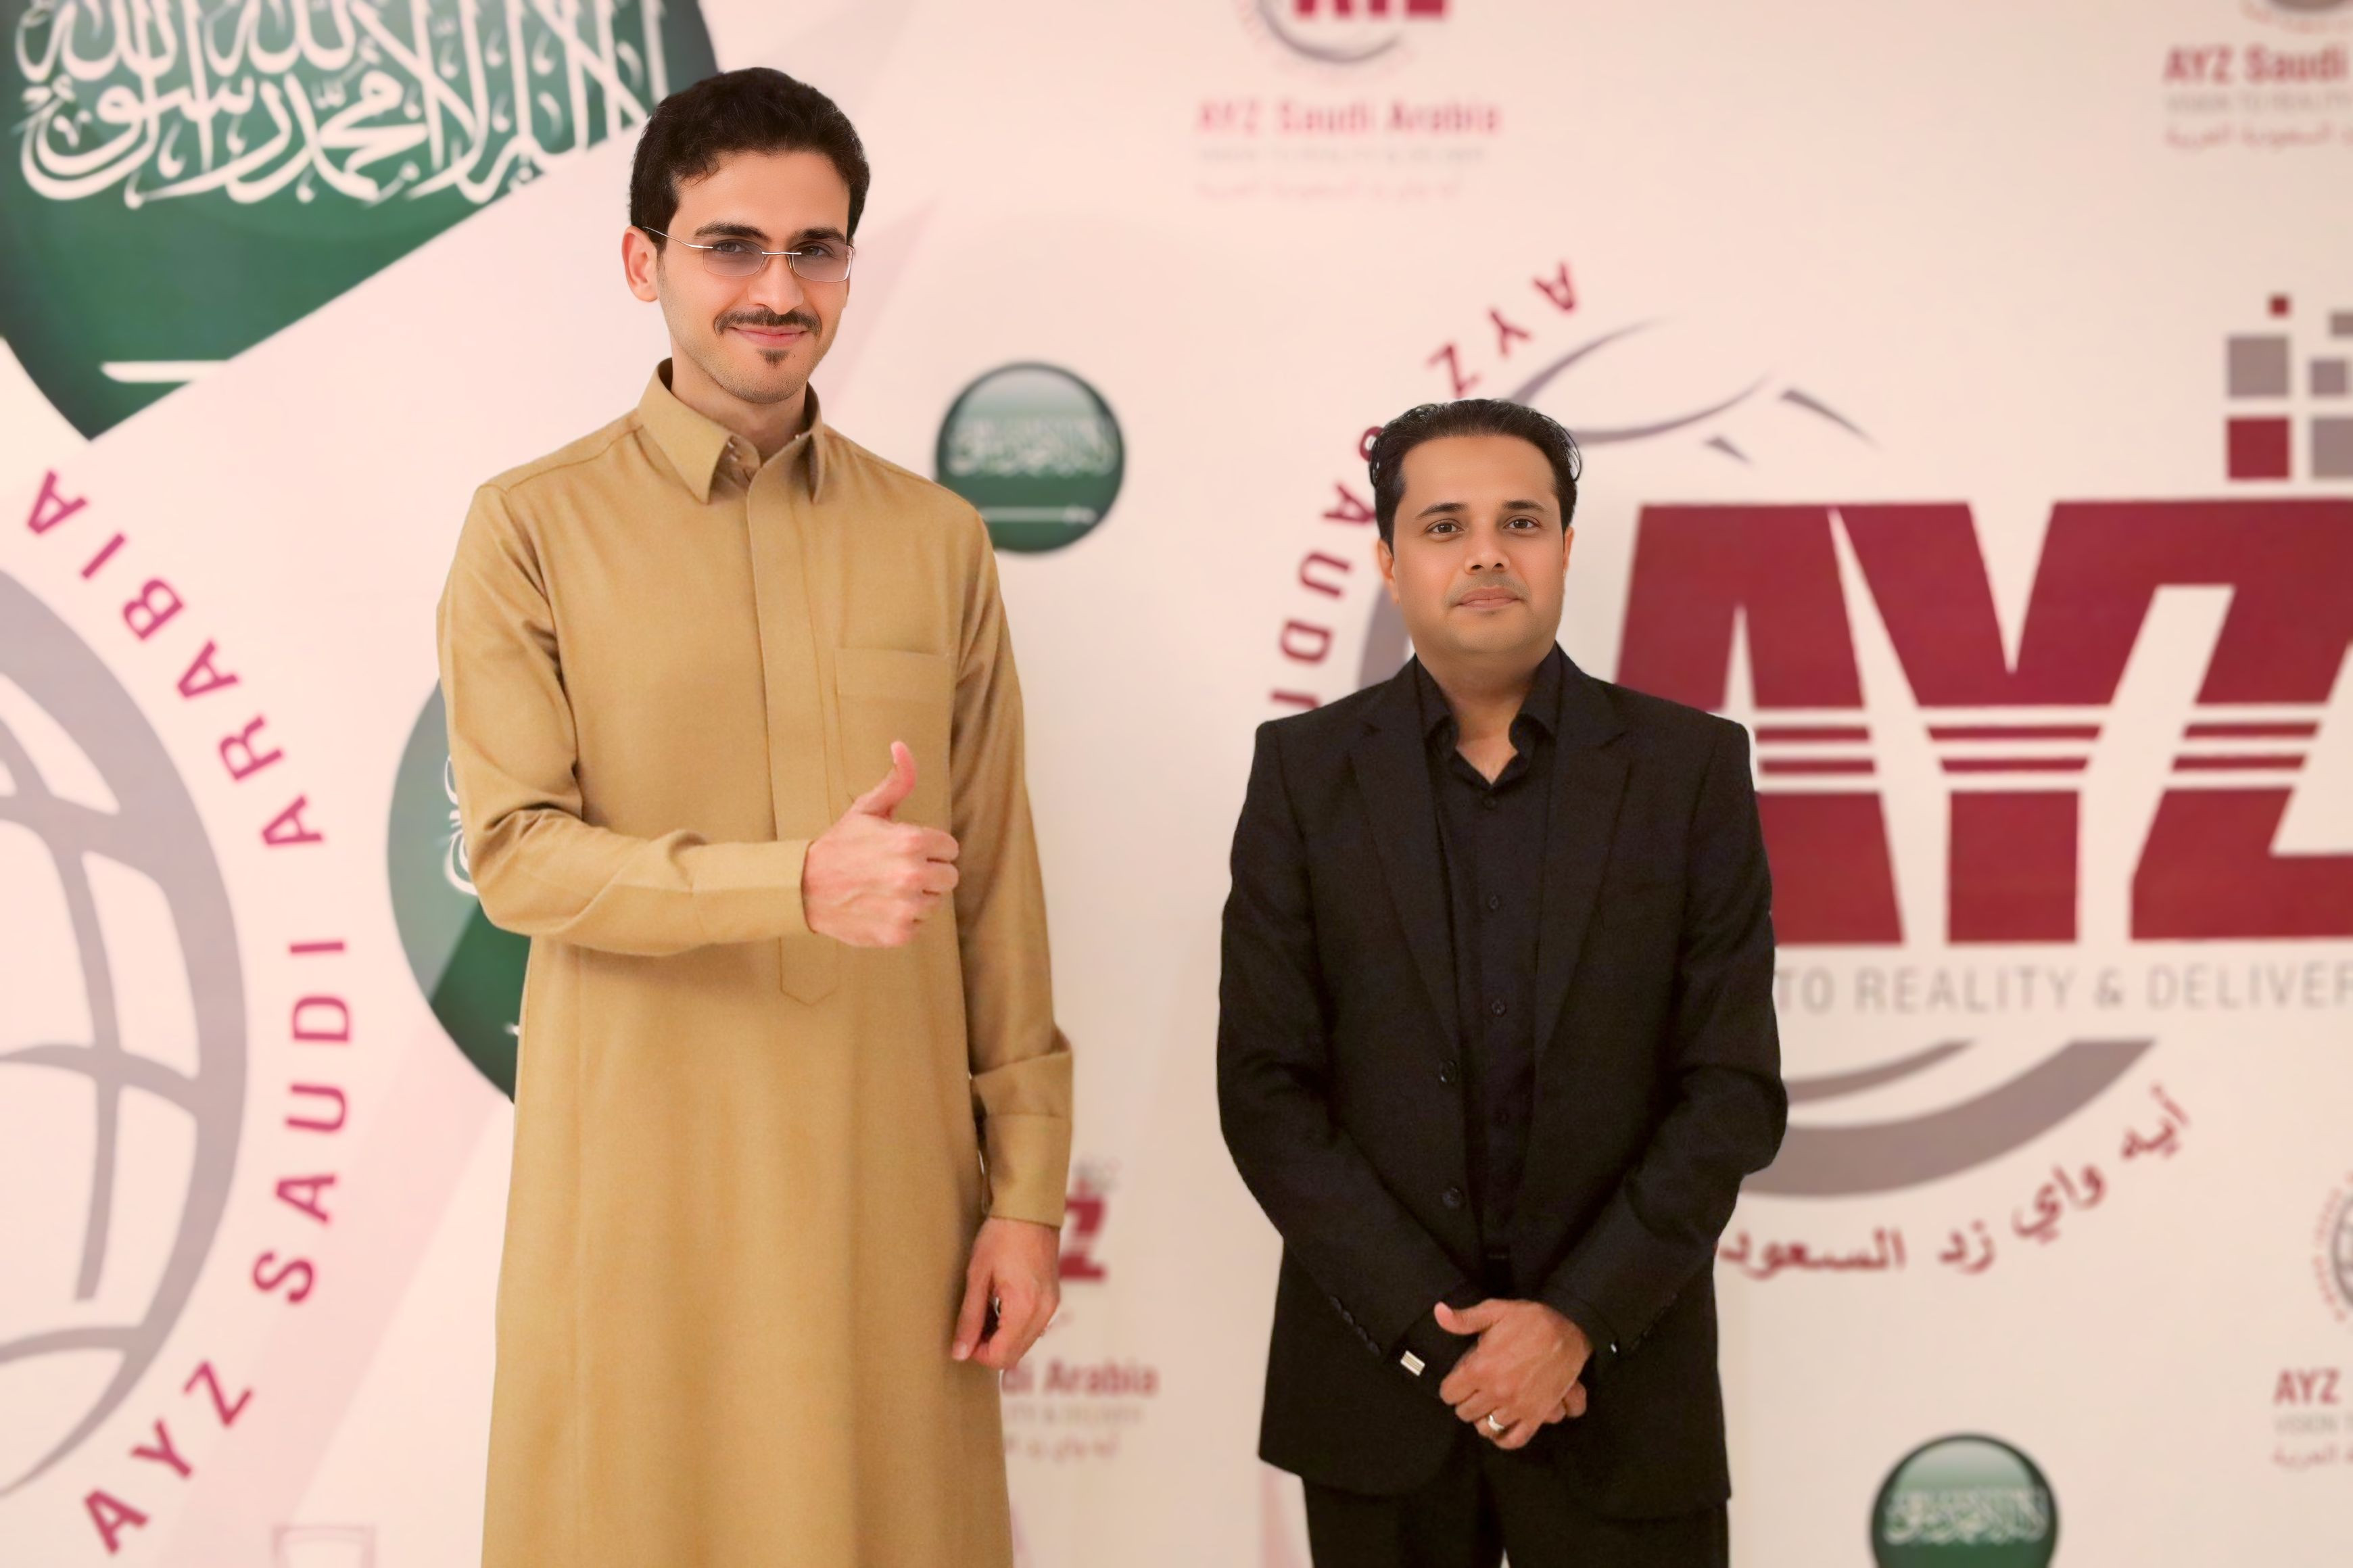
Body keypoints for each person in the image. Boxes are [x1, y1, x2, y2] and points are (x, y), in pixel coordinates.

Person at [436, 68, 1071, 1568]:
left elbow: (997, 886)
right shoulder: (531, 526)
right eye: (731, 246)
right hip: (642, 1188)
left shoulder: (935, 538)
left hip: (889, 1191)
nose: (778, 290)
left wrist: (1029, 1194)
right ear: (643, 260)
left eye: (816, 250)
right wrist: (796, 883)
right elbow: (517, 855)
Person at [1218, 399, 1786, 1567]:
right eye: (1445, 526)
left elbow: (1730, 1091)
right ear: (1389, 561)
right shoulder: (1303, 776)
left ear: (1566, 548)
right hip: (1379, 1399)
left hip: (1624, 1397)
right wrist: (1448, 1346)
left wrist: (1575, 1323)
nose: (1486, 553)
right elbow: (1267, 1093)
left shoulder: (1688, 771)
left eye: (1520, 522)